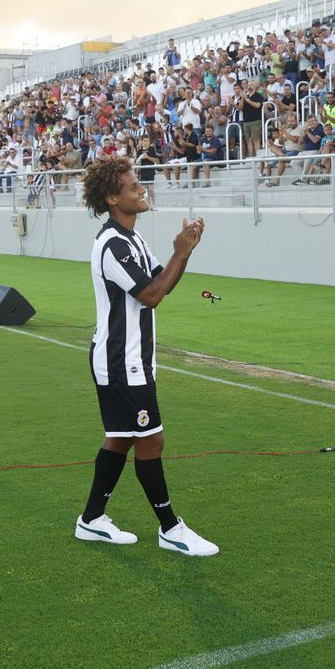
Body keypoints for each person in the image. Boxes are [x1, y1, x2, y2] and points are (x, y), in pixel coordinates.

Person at [75, 156, 218, 557]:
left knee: (121, 438)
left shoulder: (134, 239)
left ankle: (91, 519)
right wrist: (179, 251)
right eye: (133, 186)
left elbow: (162, 283)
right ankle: (170, 528)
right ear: (112, 197)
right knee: (151, 439)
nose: (142, 190)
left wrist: (184, 252)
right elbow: (151, 296)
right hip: (122, 361)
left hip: (134, 358)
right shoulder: (112, 244)